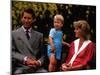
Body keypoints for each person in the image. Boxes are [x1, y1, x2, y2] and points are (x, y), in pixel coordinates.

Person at [12, 8, 47, 74]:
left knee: (44, 72)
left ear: (33, 20)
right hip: (21, 67)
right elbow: (12, 53)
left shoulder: (39, 35)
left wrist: (38, 63)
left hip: (36, 68)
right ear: (21, 18)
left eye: (29, 18)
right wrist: (25, 59)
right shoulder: (14, 34)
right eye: (24, 18)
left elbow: (43, 55)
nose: (26, 20)